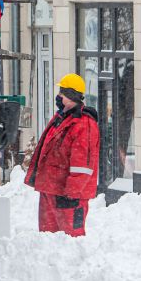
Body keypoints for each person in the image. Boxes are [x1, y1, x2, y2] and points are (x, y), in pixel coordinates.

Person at [25, 74, 100, 237]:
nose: (58, 97)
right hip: (50, 190)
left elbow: (83, 167)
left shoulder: (84, 125)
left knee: (70, 240)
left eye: (62, 94)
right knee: (47, 239)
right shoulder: (61, 118)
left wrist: (71, 194)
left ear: (72, 96)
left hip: (67, 197)